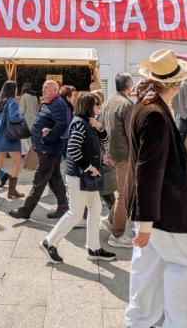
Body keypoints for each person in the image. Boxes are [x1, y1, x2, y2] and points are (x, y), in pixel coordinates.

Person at [126, 50, 187, 328]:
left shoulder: (144, 105)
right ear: (174, 84)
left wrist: (143, 218)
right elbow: (148, 169)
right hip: (165, 210)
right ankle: (177, 323)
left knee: (147, 267)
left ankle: (140, 320)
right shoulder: (155, 114)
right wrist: (147, 220)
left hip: (150, 208)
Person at [40, 92, 116, 264]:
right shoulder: (80, 124)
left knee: (95, 208)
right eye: (97, 104)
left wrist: (99, 127)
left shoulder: (88, 123)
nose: (99, 107)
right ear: (89, 106)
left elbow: (105, 139)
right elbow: (73, 149)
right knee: (75, 213)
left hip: (84, 177)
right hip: (79, 176)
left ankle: (93, 247)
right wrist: (89, 167)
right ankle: (49, 243)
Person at [9, 80, 70, 220]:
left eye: (46, 89)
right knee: (55, 179)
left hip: (49, 150)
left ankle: (25, 210)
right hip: (43, 148)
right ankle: (63, 207)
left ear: (55, 90)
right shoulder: (46, 102)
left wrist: (47, 139)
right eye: (43, 88)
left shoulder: (59, 103)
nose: (43, 91)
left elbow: (61, 124)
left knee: (39, 180)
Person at [102, 73, 134, 248]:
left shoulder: (108, 102)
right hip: (123, 154)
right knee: (123, 194)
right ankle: (117, 234)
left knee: (121, 193)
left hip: (112, 153)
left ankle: (110, 221)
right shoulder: (127, 105)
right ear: (129, 86)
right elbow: (132, 133)